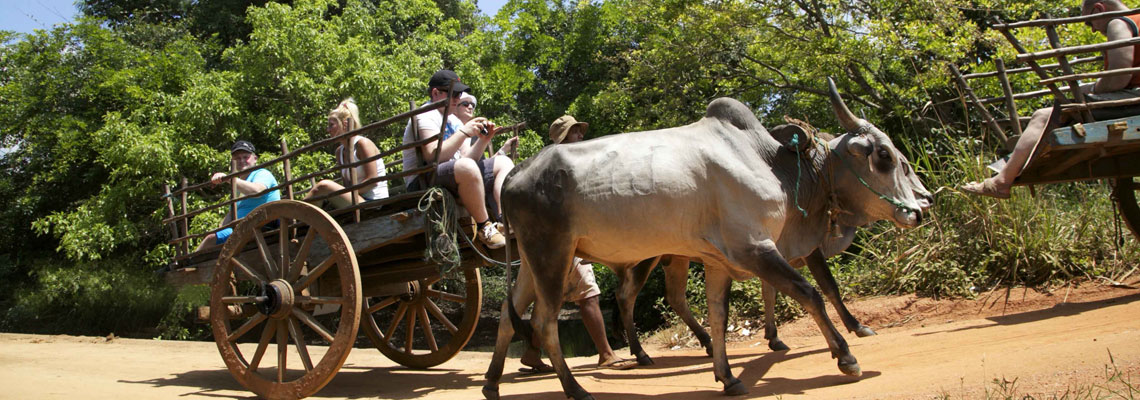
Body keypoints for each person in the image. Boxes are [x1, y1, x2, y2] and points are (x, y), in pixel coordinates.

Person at [963, 0, 1140, 198]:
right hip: (1133, 98)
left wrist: (1090, 91)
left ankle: (1001, 182)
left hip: (1134, 103)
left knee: (1042, 115)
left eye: (1090, 23)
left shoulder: (1119, 23)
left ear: (1098, 9)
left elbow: (1118, 79)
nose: (1093, 30)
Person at [516, 115, 637, 374]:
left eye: (580, 132)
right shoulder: (561, 164)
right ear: (563, 138)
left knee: (550, 299)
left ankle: (532, 351)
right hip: (565, 242)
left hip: (558, 241)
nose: (580, 137)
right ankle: (606, 354)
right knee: (589, 296)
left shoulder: (560, 163)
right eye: (575, 133)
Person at [402, 70, 509, 248]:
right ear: (436, 93)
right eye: (453, 94)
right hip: (423, 180)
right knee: (466, 166)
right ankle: (484, 226)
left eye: (459, 94)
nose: (458, 99)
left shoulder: (453, 120)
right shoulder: (424, 115)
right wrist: (464, 132)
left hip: (453, 175)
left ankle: (502, 221)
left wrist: (484, 140)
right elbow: (431, 156)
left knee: (503, 162)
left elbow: (468, 158)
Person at [195, 140, 281, 251]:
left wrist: (230, 179)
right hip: (243, 227)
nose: (242, 160)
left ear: (255, 159)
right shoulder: (239, 185)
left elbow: (257, 191)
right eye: (237, 158)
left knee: (211, 239)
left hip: (260, 223)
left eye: (246, 157)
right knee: (212, 236)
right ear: (232, 161)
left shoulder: (262, 173)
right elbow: (231, 214)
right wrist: (220, 229)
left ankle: (190, 264)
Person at [303, 98, 389, 208]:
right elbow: (347, 185)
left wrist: (344, 193)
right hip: (356, 200)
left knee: (323, 186)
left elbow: (373, 181)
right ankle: (298, 218)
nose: (328, 130)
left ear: (344, 124)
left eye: (331, 125)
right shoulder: (340, 152)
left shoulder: (363, 144)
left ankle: (294, 215)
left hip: (374, 202)